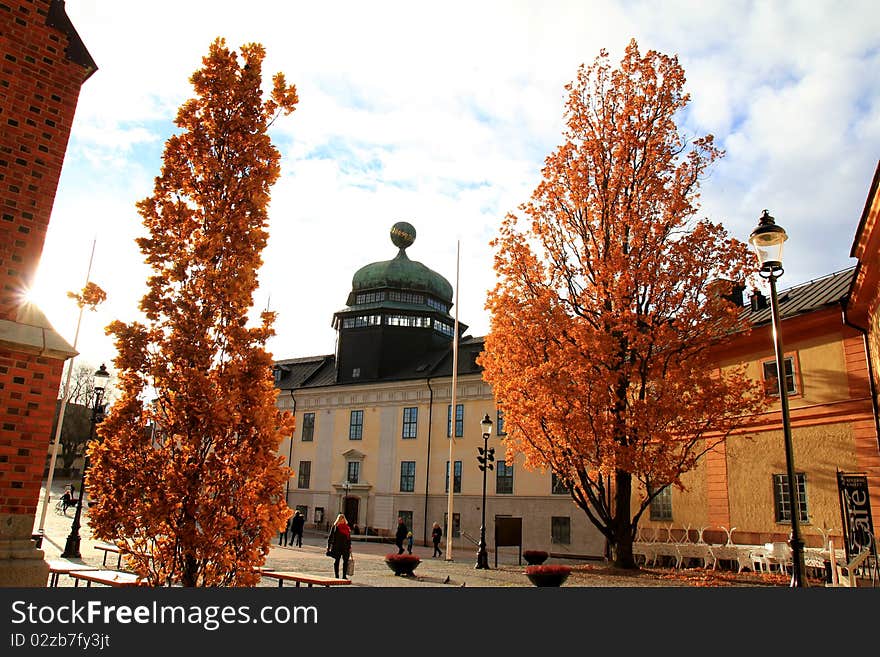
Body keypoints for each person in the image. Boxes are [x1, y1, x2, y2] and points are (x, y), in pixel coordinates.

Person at [327, 513, 352, 579]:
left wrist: (350, 547)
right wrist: (328, 546)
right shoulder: (335, 527)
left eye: (343, 519)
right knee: (337, 561)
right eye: (340, 519)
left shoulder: (347, 528)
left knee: (345, 561)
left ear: (344, 520)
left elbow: (349, 538)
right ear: (338, 519)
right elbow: (330, 537)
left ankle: (344, 575)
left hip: (345, 547)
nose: (342, 520)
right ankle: (336, 575)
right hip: (337, 546)